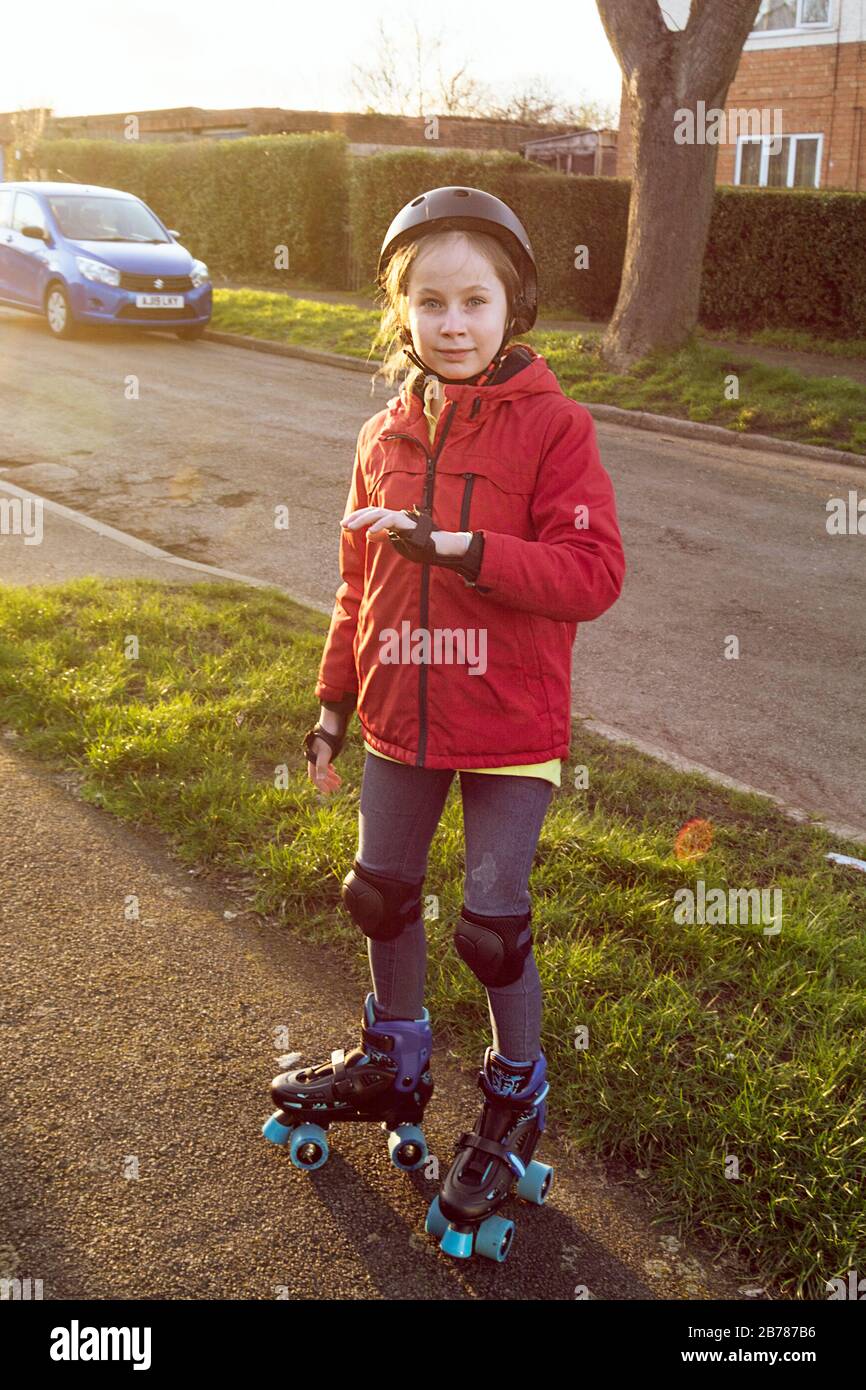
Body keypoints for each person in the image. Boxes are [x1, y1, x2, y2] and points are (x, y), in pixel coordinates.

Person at [268, 187, 626, 1258]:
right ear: (401, 311)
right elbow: (352, 585)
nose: (452, 322)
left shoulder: (555, 427)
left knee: (489, 923)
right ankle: (395, 1060)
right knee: (377, 893)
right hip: (399, 716)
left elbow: (591, 572)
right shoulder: (381, 434)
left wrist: (459, 547)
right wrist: (333, 700)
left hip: (510, 722)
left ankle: (515, 1093)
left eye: (474, 300)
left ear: (511, 308)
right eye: (429, 301)